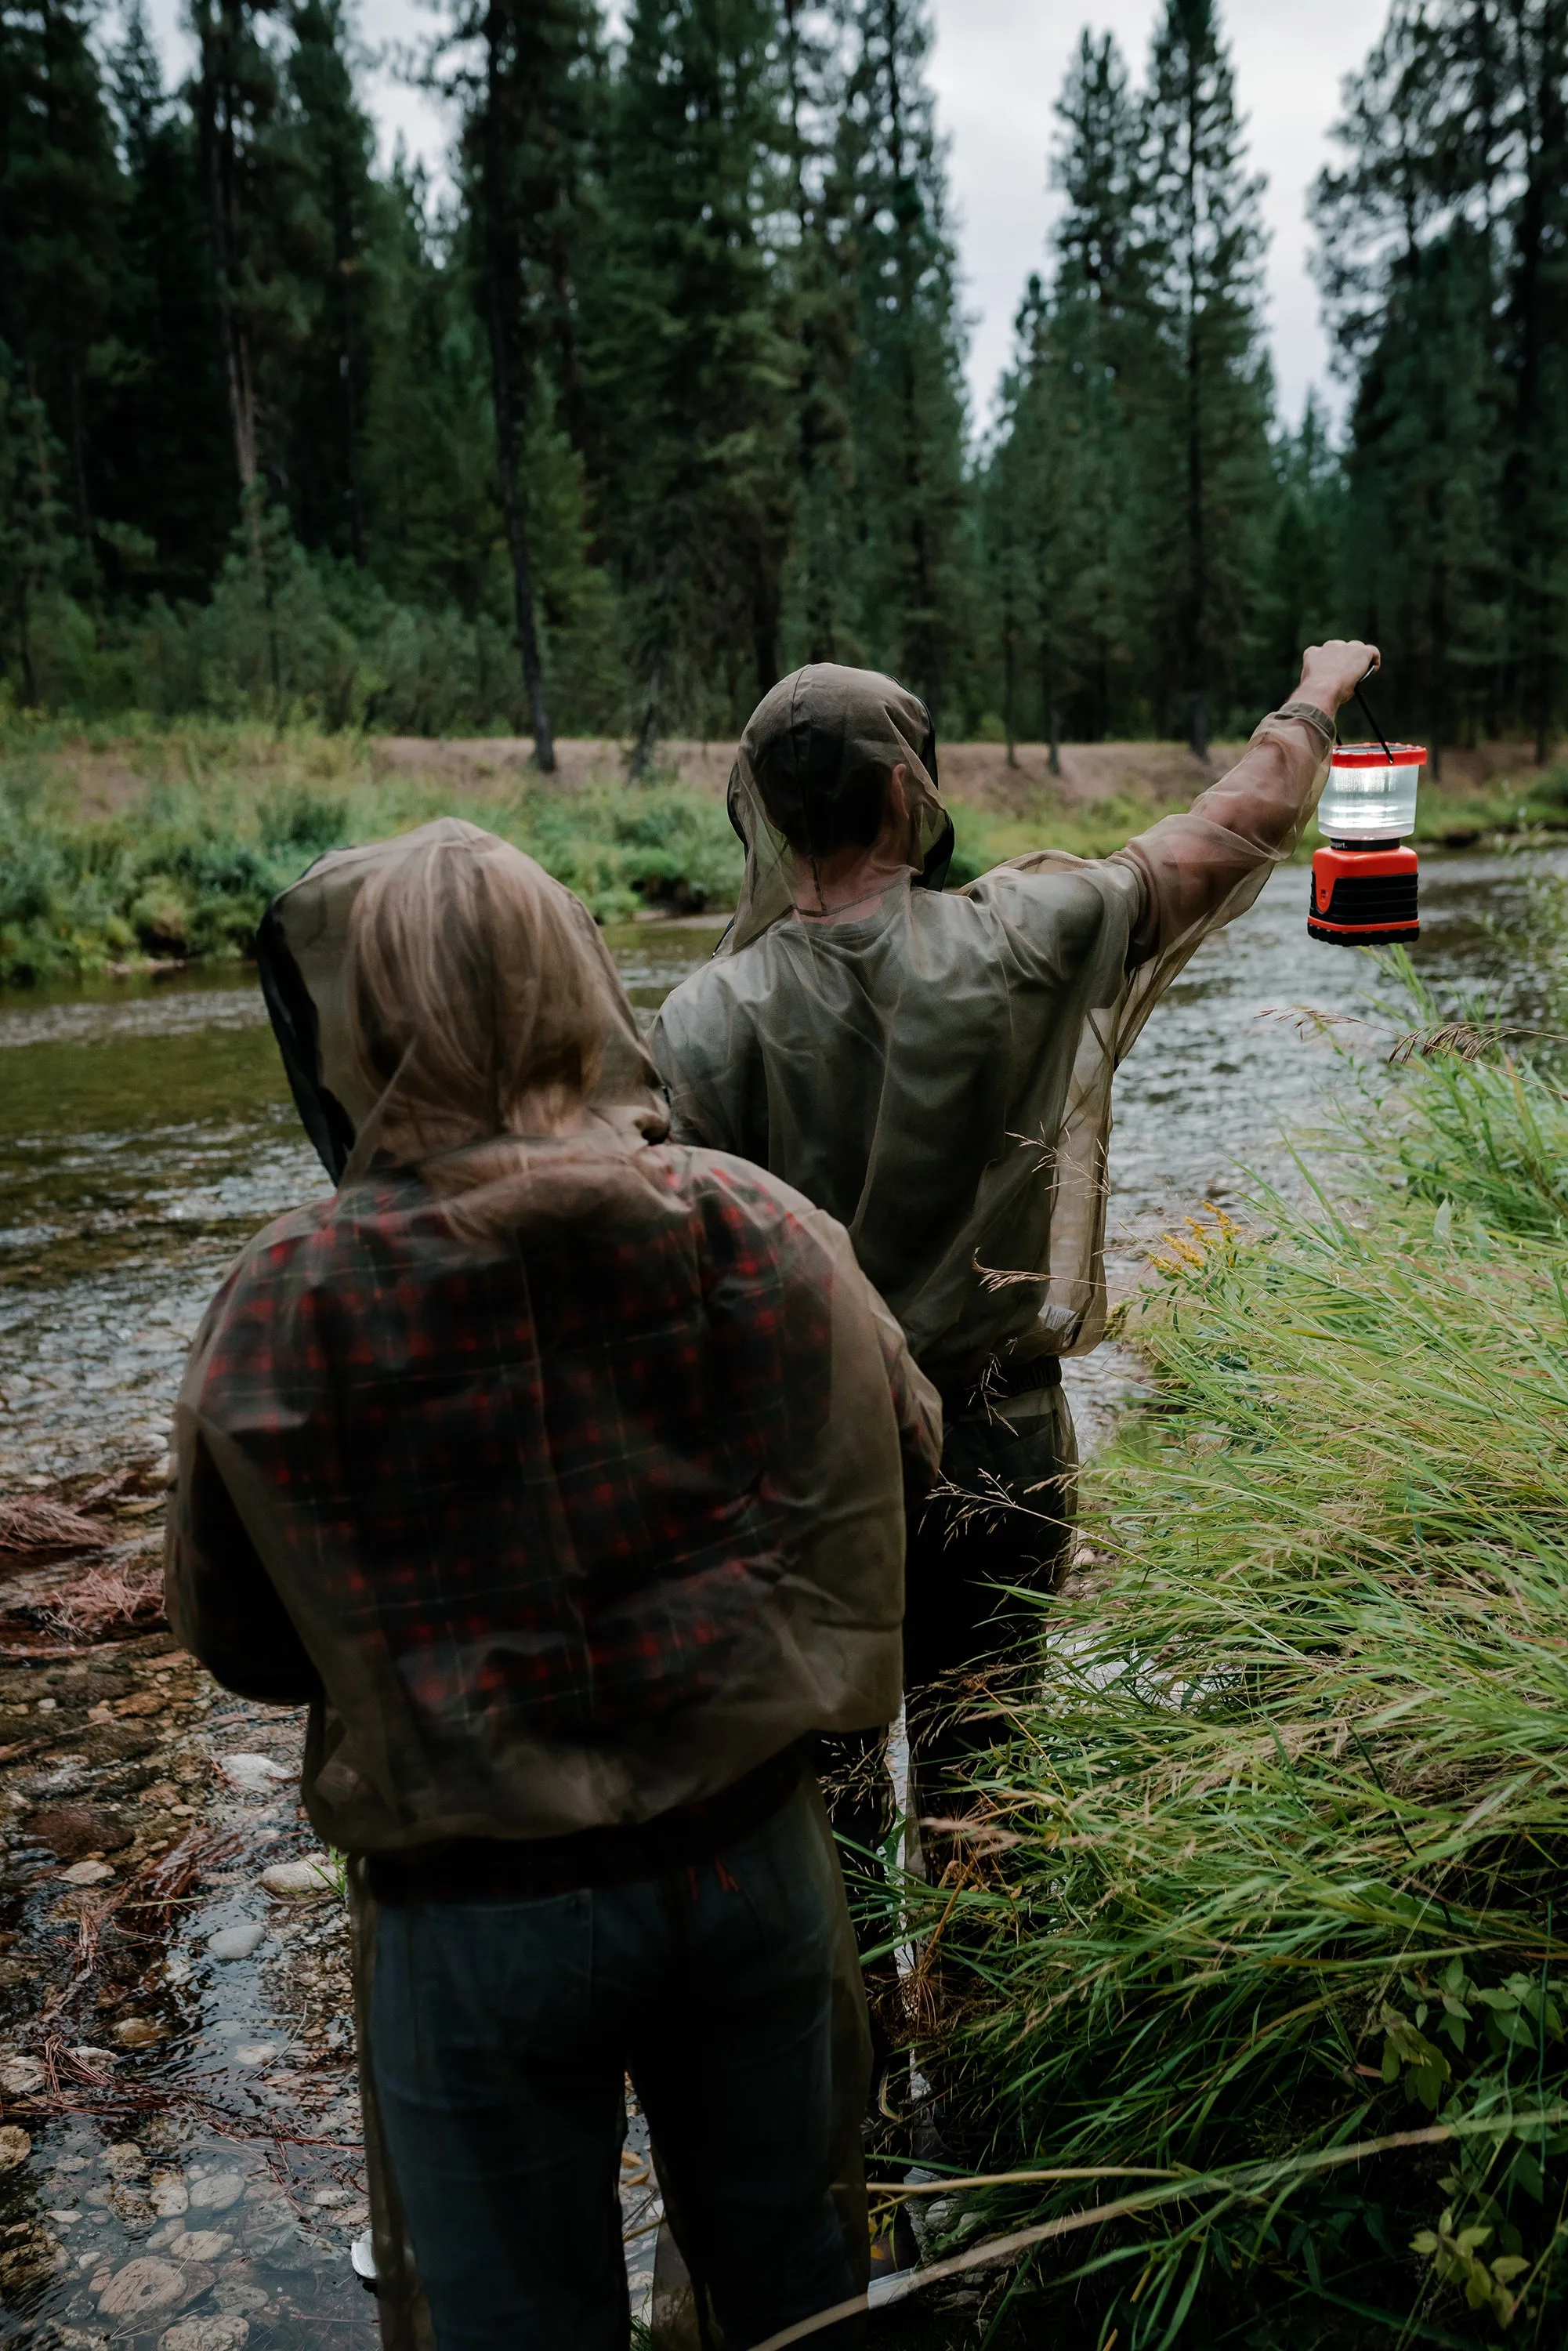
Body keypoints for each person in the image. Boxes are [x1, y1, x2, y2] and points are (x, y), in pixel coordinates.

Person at [164, 818, 941, 2351]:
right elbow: (897, 1474)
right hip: (749, 1873)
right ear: (576, 983)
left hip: (473, 1925)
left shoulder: (282, 1301)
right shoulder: (757, 1227)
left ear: (356, 1021)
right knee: (795, 2303)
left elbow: (237, 1635)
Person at [649, 642, 1379, 1881]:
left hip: (806, 1480)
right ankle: (988, 2046)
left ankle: (865, 2045)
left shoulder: (699, 1022)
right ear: (906, 794)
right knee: (988, 1788)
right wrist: (1315, 698)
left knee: (827, 1806)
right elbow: (1230, 826)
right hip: (1005, 1453)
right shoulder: (1022, 935)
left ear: (763, 809)